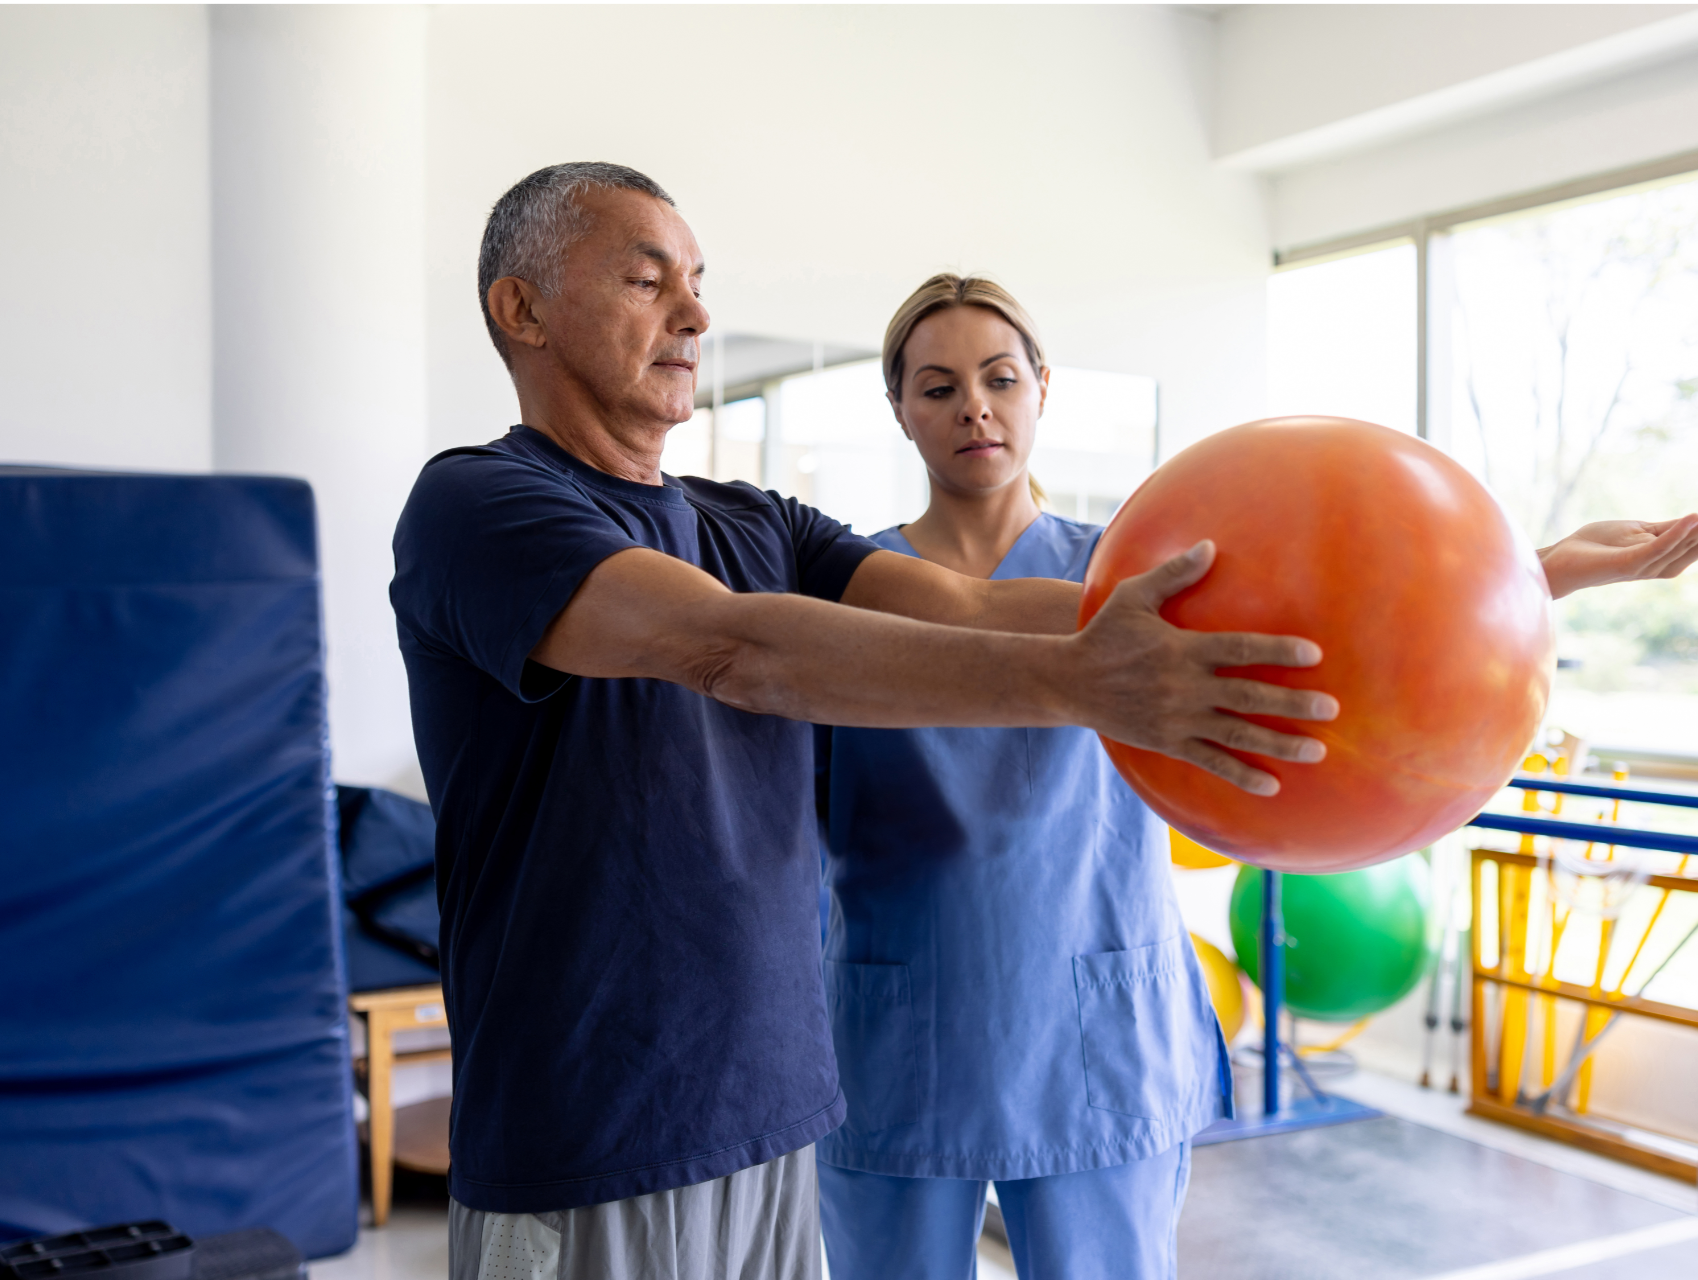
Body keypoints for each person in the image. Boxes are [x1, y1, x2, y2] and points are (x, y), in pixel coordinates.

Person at [389, 165, 1339, 1280]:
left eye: (698, 283)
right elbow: (732, 648)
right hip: (595, 1130)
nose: (695, 314)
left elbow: (979, 605)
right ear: (523, 309)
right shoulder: (477, 505)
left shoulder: (756, 521)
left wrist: (1485, 588)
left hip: (773, 1115)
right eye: (649, 281)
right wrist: (1086, 681)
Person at [814, 274, 1698, 1280]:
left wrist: (1543, 568)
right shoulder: (849, 588)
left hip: (1094, 1013)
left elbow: (1333, 621)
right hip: (901, 1020)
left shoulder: (1139, 570)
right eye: (938, 386)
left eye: (1001, 377)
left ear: (1043, 386)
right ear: (899, 408)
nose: (975, 408)